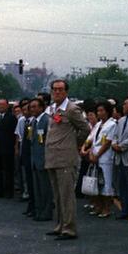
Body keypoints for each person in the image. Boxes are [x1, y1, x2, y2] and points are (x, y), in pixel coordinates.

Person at [44, 79, 90, 240]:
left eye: (60, 89)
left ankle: (69, 228)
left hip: (65, 158)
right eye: (54, 89)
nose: (57, 92)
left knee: (66, 195)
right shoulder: (52, 109)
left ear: (66, 92)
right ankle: (60, 225)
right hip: (52, 157)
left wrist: (74, 144)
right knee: (57, 195)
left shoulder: (71, 109)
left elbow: (85, 128)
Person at [90, 101, 117, 217]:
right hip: (95, 156)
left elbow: (107, 143)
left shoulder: (112, 124)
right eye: (98, 111)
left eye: (102, 110)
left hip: (105, 157)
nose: (99, 113)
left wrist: (97, 155)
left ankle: (106, 209)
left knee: (106, 183)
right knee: (96, 183)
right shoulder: (97, 125)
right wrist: (89, 152)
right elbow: (91, 139)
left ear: (108, 112)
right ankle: (98, 207)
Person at [30, 96, 54, 222]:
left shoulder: (47, 120)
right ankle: (39, 211)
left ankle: (47, 212)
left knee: (45, 188)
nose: (32, 109)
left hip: (44, 159)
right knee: (37, 188)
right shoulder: (34, 121)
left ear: (41, 107)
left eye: (35, 107)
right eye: (31, 107)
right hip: (35, 160)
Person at [0, 98, 18, 199]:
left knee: (8, 170)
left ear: (7, 106)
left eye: (3, 105)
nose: (1, 106)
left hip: (8, 147)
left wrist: (15, 147)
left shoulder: (12, 118)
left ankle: (8, 192)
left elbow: (15, 134)